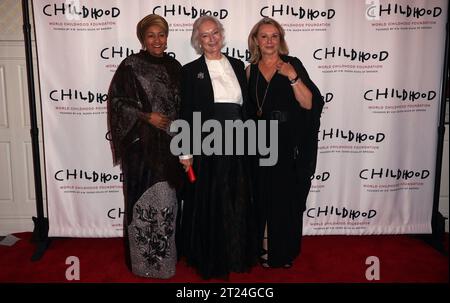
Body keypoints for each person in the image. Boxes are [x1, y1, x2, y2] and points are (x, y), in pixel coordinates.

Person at [178, 15, 257, 279]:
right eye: (205, 35)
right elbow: (185, 113)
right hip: (207, 145)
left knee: (237, 197)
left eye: (215, 33)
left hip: (239, 142)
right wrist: (185, 152)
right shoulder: (189, 71)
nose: (211, 39)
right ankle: (212, 257)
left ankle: (236, 254)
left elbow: (244, 108)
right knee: (211, 201)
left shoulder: (237, 65)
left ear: (222, 35)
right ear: (197, 40)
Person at [107, 14, 183, 279]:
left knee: (168, 202)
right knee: (140, 201)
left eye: (161, 34)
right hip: (141, 149)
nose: (157, 40)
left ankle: (165, 261)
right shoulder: (131, 66)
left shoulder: (175, 67)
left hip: (170, 147)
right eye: (151, 35)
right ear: (142, 38)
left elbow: (183, 108)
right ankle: (142, 263)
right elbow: (117, 103)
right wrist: (146, 116)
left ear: (167, 36)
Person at [246, 17, 324, 268]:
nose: (269, 41)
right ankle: (264, 247)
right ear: (256, 40)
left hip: (286, 144)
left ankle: (283, 252)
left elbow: (310, 103)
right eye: (264, 36)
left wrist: (292, 77)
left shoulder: (293, 65)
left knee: (283, 200)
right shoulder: (250, 70)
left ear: (280, 40)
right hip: (258, 145)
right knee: (260, 198)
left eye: (274, 36)